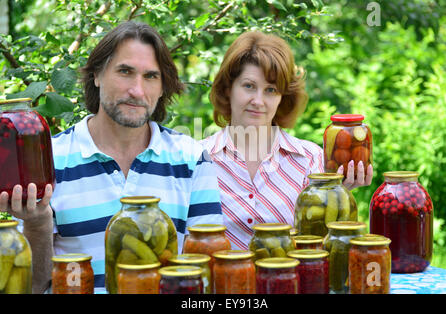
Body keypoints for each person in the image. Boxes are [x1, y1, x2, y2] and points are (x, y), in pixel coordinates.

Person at [0, 21, 223, 293]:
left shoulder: (192, 159)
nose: (137, 91)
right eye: (125, 72)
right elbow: (34, 286)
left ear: (164, 87)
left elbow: (208, 277)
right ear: (96, 75)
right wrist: (37, 222)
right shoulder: (50, 159)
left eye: (151, 76)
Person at [201, 31, 372, 249]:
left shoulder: (311, 160)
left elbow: (323, 246)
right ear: (228, 89)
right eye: (249, 86)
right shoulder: (197, 159)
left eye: (271, 90)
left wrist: (341, 196)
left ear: (282, 98)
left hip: (290, 282)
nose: (258, 101)